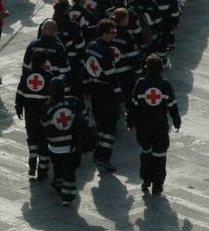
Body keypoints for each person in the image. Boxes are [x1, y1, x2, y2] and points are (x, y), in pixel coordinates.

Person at [129, 53, 181, 195]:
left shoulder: (140, 84)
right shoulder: (165, 85)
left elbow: (134, 105)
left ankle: (146, 179)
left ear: (146, 68)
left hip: (143, 125)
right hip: (160, 126)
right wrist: (176, 121)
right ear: (161, 69)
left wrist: (130, 121)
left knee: (146, 152)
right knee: (159, 155)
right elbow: (172, 105)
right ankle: (157, 185)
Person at [84, 16, 124, 174]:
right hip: (107, 92)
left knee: (100, 123)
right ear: (104, 34)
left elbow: (85, 69)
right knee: (110, 126)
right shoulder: (106, 52)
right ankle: (104, 157)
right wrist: (120, 96)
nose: (114, 35)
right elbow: (112, 77)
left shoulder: (90, 46)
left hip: (95, 89)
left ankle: (98, 153)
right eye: (112, 32)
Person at [41, 77, 89, 207]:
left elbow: (44, 126)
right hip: (69, 147)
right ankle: (67, 197)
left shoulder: (47, 107)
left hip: (54, 147)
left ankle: (57, 182)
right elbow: (84, 117)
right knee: (69, 172)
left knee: (58, 167)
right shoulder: (73, 102)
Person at [15, 49, 52, 181]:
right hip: (43, 115)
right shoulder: (48, 76)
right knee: (43, 141)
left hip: (29, 114)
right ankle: (42, 170)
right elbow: (51, 98)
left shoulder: (26, 76)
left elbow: (19, 93)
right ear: (44, 62)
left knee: (31, 137)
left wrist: (18, 107)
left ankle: (32, 160)